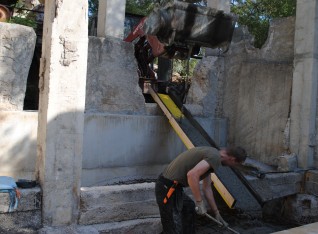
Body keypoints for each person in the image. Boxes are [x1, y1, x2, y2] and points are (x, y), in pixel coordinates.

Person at [155, 146, 247, 234]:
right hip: (166, 187)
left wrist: (216, 212)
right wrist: (199, 202)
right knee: (171, 227)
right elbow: (192, 175)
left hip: (174, 187)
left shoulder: (212, 154)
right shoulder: (214, 157)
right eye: (235, 164)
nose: (232, 166)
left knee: (189, 207)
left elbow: (207, 188)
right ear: (233, 159)